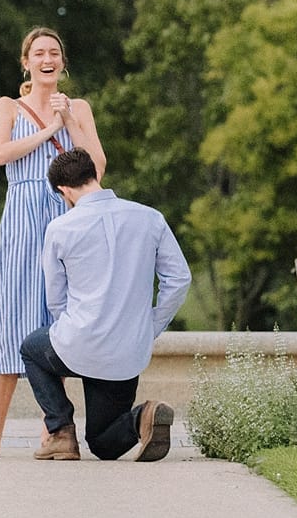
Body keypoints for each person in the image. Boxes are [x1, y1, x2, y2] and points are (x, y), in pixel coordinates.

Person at [0, 27, 106, 458]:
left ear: (63, 63)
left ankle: (56, 431)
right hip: (24, 217)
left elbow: (97, 167)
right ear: (26, 62)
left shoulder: (79, 107)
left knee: (59, 318)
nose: (47, 59)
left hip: (68, 214)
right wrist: (47, 127)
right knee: (12, 318)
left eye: (54, 53)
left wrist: (67, 122)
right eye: (38, 53)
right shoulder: (8, 106)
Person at [19, 148, 190, 461]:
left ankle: (61, 432)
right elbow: (179, 280)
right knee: (103, 444)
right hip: (127, 351)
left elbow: (55, 298)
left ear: (64, 190)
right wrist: (150, 327)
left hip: (78, 344)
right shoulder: (150, 218)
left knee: (31, 348)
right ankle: (143, 416)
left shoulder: (60, 228)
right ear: (94, 175)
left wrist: (73, 330)